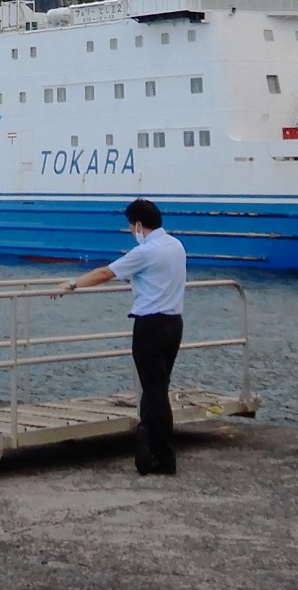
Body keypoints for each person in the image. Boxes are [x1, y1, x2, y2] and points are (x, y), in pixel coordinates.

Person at [58, 198, 187, 475]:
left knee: (155, 393)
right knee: (158, 387)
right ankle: (146, 452)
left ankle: (164, 457)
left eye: (130, 225)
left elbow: (106, 272)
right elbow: (156, 277)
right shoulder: (176, 246)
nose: (130, 230)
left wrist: (72, 283)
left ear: (139, 224)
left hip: (150, 326)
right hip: (174, 323)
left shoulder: (145, 251)